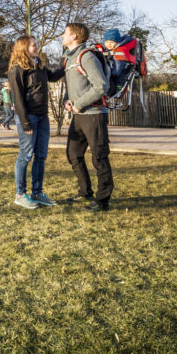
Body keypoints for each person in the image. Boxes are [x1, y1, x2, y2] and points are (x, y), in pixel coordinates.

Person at [58, 22, 113, 212]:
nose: (62, 36)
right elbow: (73, 87)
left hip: (94, 115)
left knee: (99, 157)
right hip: (79, 116)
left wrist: (79, 104)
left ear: (74, 36)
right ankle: (85, 192)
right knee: (73, 154)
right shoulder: (69, 59)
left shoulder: (86, 56)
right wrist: (67, 100)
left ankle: (102, 200)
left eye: (65, 33)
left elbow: (101, 86)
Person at [7, 35, 60, 209]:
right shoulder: (17, 70)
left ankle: (37, 192)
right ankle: (20, 194)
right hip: (28, 118)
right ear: (23, 48)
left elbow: (53, 76)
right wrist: (25, 123)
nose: (36, 47)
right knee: (25, 155)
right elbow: (18, 100)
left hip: (43, 117)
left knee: (41, 155)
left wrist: (67, 64)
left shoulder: (39, 66)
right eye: (32, 45)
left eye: (36, 44)